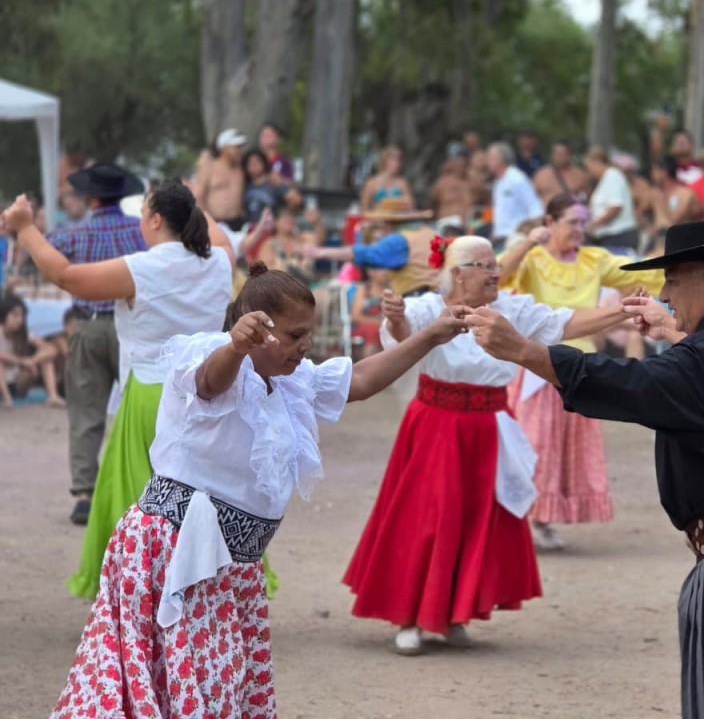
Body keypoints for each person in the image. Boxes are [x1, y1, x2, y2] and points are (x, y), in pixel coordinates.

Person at [51, 262, 466, 717]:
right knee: (191, 687)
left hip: (232, 566)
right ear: (258, 328)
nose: (305, 345)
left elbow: (361, 381)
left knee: (214, 688)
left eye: (306, 334)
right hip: (173, 553)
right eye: (294, 335)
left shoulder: (294, 378)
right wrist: (235, 346)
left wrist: (430, 336)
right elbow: (210, 382)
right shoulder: (209, 354)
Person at [466, 219, 704, 718]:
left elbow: (626, 383)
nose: (663, 291)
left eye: (673, 279)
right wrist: (678, 330)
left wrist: (524, 351)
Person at [342, 236, 631, 654]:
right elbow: (404, 341)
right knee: (426, 519)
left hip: (491, 424)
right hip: (438, 426)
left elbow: (563, 323)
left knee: (479, 522)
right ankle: (410, 618)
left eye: (495, 265)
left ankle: (455, 613)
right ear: (457, 274)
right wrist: (398, 318)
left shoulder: (511, 309)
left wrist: (619, 311)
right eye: (484, 265)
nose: (496, 272)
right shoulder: (428, 307)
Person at [2, 182, 237, 599]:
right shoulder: (219, 261)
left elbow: (65, 275)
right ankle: (203, 586)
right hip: (209, 394)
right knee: (207, 495)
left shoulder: (142, 269)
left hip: (151, 394)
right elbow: (217, 236)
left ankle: (144, 588)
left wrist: (25, 227)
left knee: (141, 500)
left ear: (156, 220)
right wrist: (191, 197)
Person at [498, 193, 663, 549]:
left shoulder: (593, 260)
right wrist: (528, 242)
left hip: (579, 364)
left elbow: (641, 273)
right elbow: (498, 277)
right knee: (533, 444)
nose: (580, 229)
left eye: (583, 223)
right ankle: (521, 517)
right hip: (536, 365)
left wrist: (683, 266)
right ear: (550, 223)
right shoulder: (533, 259)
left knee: (563, 448)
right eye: (572, 222)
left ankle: (541, 519)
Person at [41, 164, 149, 525]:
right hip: (130, 326)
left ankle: (85, 494)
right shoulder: (140, 231)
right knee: (133, 409)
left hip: (87, 326)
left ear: (89, 196)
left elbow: (43, 258)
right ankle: (139, 492)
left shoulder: (74, 234)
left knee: (86, 412)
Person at [307, 199, 438, 297]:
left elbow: (364, 254)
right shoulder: (431, 233)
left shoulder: (398, 240)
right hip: (440, 296)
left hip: (417, 298)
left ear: (387, 223)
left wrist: (321, 252)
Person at [0, 293, 64, 409]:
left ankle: (53, 396)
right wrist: (20, 361)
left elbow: (51, 349)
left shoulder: (23, 334)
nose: (19, 320)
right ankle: (7, 398)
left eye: (22, 316)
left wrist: (32, 360)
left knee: (46, 359)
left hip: (17, 381)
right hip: (3, 381)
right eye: (15, 315)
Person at [487, 142, 543, 249]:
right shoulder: (498, 182)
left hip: (516, 239)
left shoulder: (517, 178)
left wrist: (530, 234)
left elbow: (535, 209)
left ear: (500, 159)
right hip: (500, 238)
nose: (487, 162)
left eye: (490, 157)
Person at [584, 146, 638, 251]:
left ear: (597, 162)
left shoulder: (613, 176)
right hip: (606, 236)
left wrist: (593, 224)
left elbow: (615, 206)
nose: (589, 171)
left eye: (589, 167)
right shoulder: (603, 180)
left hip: (619, 235)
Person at [194, 129, 248, 229]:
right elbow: (199, 195)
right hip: (216, 222)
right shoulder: (209, 166)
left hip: (238, 223)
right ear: (224, 147)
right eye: (236, 147)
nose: (239, 150)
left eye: (240, 147)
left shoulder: (240, 168)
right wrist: (206, 223)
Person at [359, 145, 415, 215]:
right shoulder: (372, 183)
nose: (397, 164)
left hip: (398, 220)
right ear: (385, 161)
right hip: (378, 220)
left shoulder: (402, 183)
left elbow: (411, 206)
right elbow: (364, 208)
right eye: (394, 160)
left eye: (399, 160)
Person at [532, 141, 588, 205]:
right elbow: (531, 197)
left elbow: (586, 197)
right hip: (547, 213)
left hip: (571, 212)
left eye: (562, 154)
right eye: (557, 154)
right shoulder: (540, 175)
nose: (559, 157)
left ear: (569, 155)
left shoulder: (579, 175)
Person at [429, 144, 475, 225]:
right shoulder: (442, 183)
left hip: (467, 227)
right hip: (446, 226)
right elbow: (432, 205)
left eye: (462, 162)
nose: (460, 165)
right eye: (457, 161)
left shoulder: (474, 184)